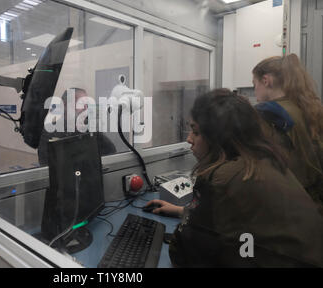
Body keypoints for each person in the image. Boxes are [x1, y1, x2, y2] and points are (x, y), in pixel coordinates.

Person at [145, 89, 323, 267]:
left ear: (217, 137)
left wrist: (189, 221)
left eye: (196, 132)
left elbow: (184, 253)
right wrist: (183, 212)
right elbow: (243, 221)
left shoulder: (220, 179)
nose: (189, 139)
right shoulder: (266, 162)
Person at [252, 54, 323, 214]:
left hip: (291, 206)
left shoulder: (266, 114)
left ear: (266, 80)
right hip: (315, 203)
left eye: (254, 84)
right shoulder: (311, 108)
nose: (255, 91)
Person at [37, 88, 116, 165]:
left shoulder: (89, 129)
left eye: (87, 105)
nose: (86, 108)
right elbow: (46, 164)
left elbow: (111, 151)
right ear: (65, 105)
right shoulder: (50, 131)